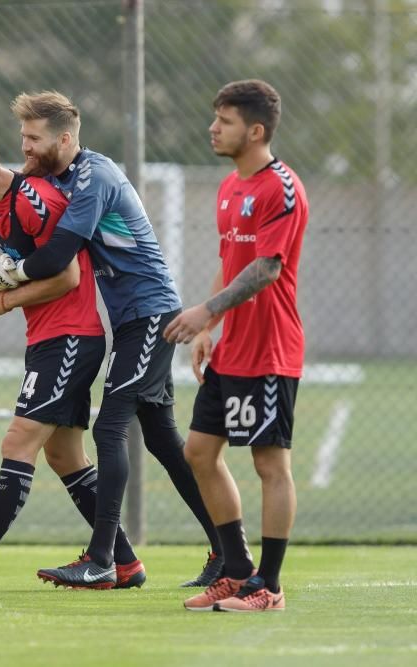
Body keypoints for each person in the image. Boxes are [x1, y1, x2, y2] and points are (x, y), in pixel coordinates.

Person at [0, 91, 223, 589]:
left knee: (110, 427)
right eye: (22, 138)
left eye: (33, 138)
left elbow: (57, 258)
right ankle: (228, 549)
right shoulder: (52, 177)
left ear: (65, 138)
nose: (24, 148)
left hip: (151, 315)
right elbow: (17, 211)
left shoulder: (96, 176)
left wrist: (5, 279)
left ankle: (103, 560)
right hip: (132, 320)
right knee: (162, 440)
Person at [0, 119, 145, 589]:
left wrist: (4, 300)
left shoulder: (32, 200)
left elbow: (67, 276)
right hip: (50, 338)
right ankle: (124, 562)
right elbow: (17, 265)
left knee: (17, 441)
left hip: (71, 337)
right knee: (64, 456)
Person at [164, 80, 308, 612]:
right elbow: (233, 264)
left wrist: (206, 311)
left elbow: (268, 268)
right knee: (199, 452)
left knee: (270, 464)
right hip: (231, 348)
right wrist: (209, 328)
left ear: (255, 130)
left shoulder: (282, 188)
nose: (212, 128)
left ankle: (268, 586)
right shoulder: (229, 187)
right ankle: (237, 570)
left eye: (222, 121)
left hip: (270, 350)